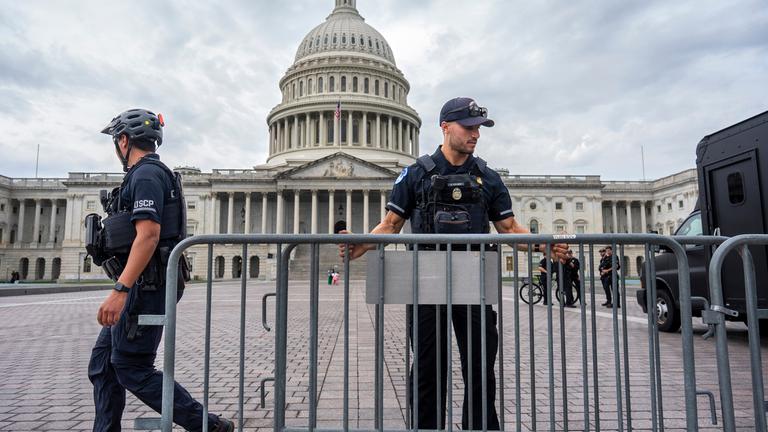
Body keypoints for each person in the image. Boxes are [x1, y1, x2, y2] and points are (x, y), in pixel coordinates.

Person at [339, 97, 569, 430]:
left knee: (479, 367)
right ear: (445, 127)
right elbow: (391, 223)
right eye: (469, 127)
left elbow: (509, 229)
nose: (476, 134)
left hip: (473, 279)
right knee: (429, 367)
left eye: (479, 128)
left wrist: (544, 246)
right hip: (427, 280)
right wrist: (365, 242)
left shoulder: (487, 177)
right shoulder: (415, 174)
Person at [87, 109, 233, 432]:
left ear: (124, 141)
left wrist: (120, 290)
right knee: (103, 365)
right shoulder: (144, 175)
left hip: (145, 286)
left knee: (131, 367)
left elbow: (149, 235)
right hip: (143, 282)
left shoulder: (146, 176)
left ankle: (207, 425)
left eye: (116, 141)